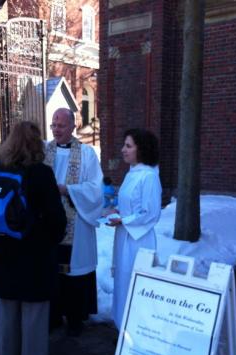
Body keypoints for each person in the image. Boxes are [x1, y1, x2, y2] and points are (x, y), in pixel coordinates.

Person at [0, 121, 67, 355]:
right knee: (34, 311)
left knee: (7, 307)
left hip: (3, 253)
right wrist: (51, 240)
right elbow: (56, 218)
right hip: (34, 254)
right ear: (37, 143)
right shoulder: (41, 173)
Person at [44, 108, 103, 336]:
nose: (56, 130)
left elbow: (96, 190)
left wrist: (67, 189)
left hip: (76, 221)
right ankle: (54, 315)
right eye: (53, 125)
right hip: (49, 224)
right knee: (52, 269)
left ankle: (76, 317)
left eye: (61, 125)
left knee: (74, 271)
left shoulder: (86, 154)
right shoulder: (44, 151)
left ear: (72, 126)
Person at [108, 128, 162, 330]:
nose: (123, 150)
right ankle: (123, 326)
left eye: (128, 146)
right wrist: (117, 210)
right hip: (125, 237)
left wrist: (124, 220)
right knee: (123, 281)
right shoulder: (133, 173)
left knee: (135, 281)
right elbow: (132, 205)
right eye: (124, 145)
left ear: (142, 149)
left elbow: (151, 213)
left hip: (139, 241)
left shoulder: (148, 177)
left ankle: (136, 329)